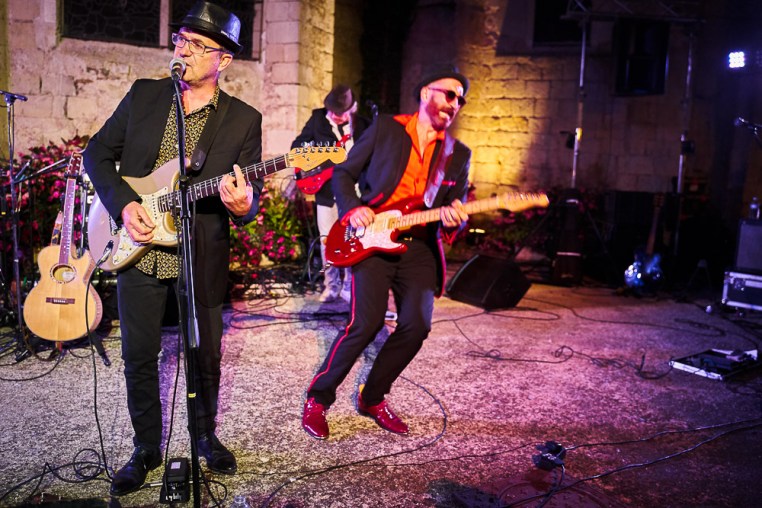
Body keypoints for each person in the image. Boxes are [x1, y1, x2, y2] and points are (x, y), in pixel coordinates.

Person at [83, 1, 263, 496]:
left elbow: (248, 200)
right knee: (139, 355)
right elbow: (96, 153)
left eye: (197, 45)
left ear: (223, 60)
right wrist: (124, 205)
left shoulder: (244, 119)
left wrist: (244, 203)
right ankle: (145, 448)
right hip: (138, 245)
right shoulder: (145, 95)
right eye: (181, 40)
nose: (183, 50)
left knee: (205, 354)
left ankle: (205, 437)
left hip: (198, 253)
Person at [301, 65, 471, 439]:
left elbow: (454, 207)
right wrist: (353, 208)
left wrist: (455, 218)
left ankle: (373, 396)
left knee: (417, 326)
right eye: (449, 94)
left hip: (420, 245)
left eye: (460, 100)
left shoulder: (458, 154)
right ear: (426, 92)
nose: (454, 103)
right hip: (374, 236)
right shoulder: (386, 128)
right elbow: (343, 173)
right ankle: (318, 398)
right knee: (366, 323)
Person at [291, 85, 371, 303]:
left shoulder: (363, 125)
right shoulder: (318, 119)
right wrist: (309, 157)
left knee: (354, 239)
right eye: (334, 111)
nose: (336, 115)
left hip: (354, 191)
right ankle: (331, 286)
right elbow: (297, 146)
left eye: (341, 112)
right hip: (326, 190)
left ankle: (349, 286)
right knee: (327, 239)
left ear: (351, 109)